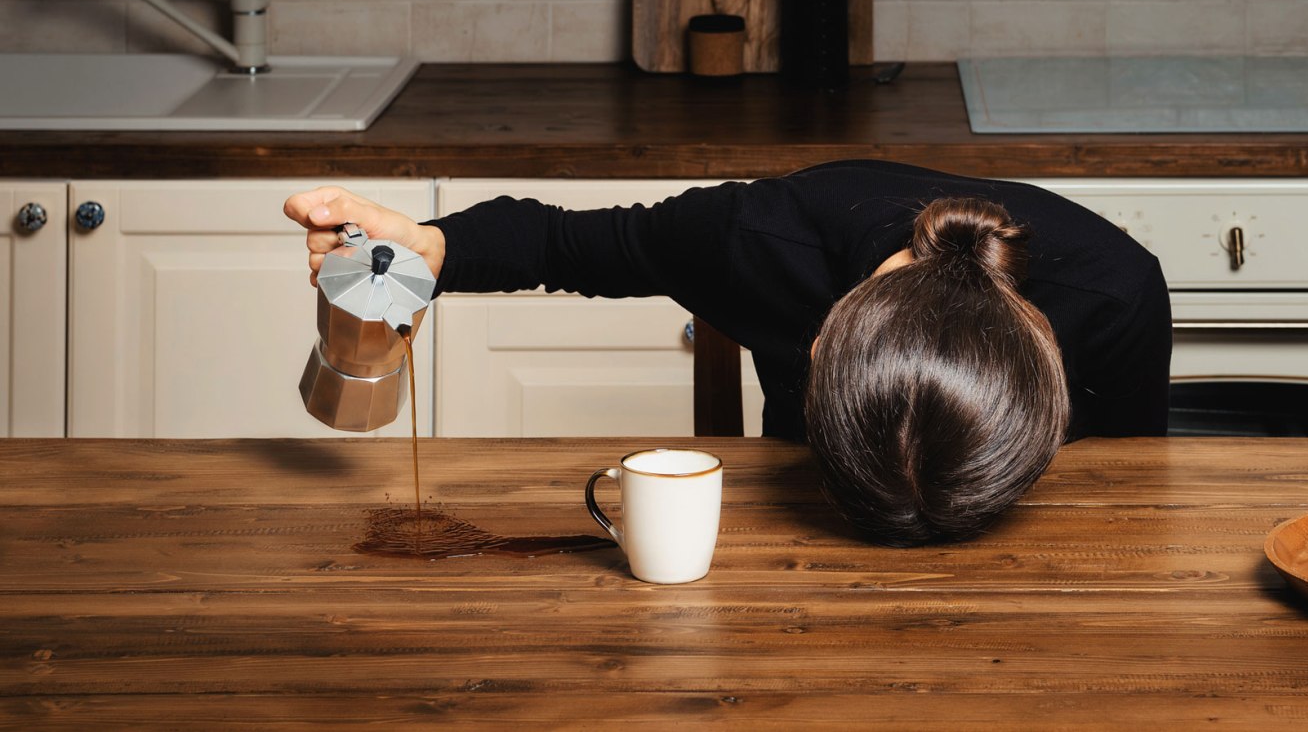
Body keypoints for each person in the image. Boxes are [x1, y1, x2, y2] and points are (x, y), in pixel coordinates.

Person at [283, 160, 1171, 547]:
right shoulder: (759, 239)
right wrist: (430, 245)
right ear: (817, 341)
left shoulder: (1115, 294)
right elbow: (561, 243)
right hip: (814, 531)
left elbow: (1125, 503)